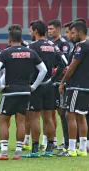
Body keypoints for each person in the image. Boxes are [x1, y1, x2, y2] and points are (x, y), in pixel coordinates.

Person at [0, 28, 47, 160]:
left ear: (9, 39)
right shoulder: (31, 52)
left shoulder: (5, 53)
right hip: (25, 91)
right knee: (21, 121)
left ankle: (4, 152)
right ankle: (17, 152)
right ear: (22, 40)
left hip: (10, 91)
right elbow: (43, 70)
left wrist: (0, 86)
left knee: (3, 120)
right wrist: (33, 86)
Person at [23, 20, 65, 158]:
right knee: (49, 117)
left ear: (35, 31)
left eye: (30, 31)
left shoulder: (32, 46)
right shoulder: (53, 46)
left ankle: (35, 149)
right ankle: (49, 148)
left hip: (36, 86)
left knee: (34, 117)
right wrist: (53, 79)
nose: (30, 33)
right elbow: (63, 64)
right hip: (49, 85)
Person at [58, 21, 89, 157]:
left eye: (73, 32)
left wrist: (62, 82)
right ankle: (82, 148)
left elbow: (73, 66)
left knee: (70, 114)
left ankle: (71, 148)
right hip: (85, 86)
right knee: (81, 115)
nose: (71, 35)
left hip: (76, 85)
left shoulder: (81, 46)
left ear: (80, 32)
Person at [46, 19, 71, 149]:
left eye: (51, 29)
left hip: (59, 83)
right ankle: (53, 141)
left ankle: (66, 141)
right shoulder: (48, 44)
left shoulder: (63, 44)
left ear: (58, 29)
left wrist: (53, 71)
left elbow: (65, 65)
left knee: (62, 112)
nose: (49, 31)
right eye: (48, 29)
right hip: (50, 83)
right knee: (49, 112)